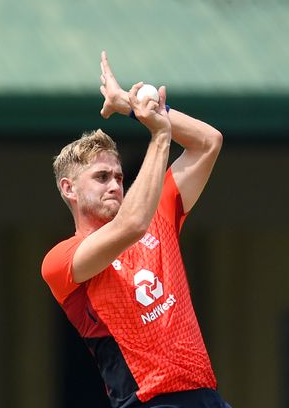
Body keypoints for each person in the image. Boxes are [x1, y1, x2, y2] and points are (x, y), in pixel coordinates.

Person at [41, 51, 230, 408]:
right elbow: (131, 226)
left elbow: (208, 142)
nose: (114, 185)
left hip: (206, 397)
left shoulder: (154, 212)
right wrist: (160, 136)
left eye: (118, 177)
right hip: (150, 402)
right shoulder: (61, 260)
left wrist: (130, 105)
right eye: (101, 177)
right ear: (69, 189)